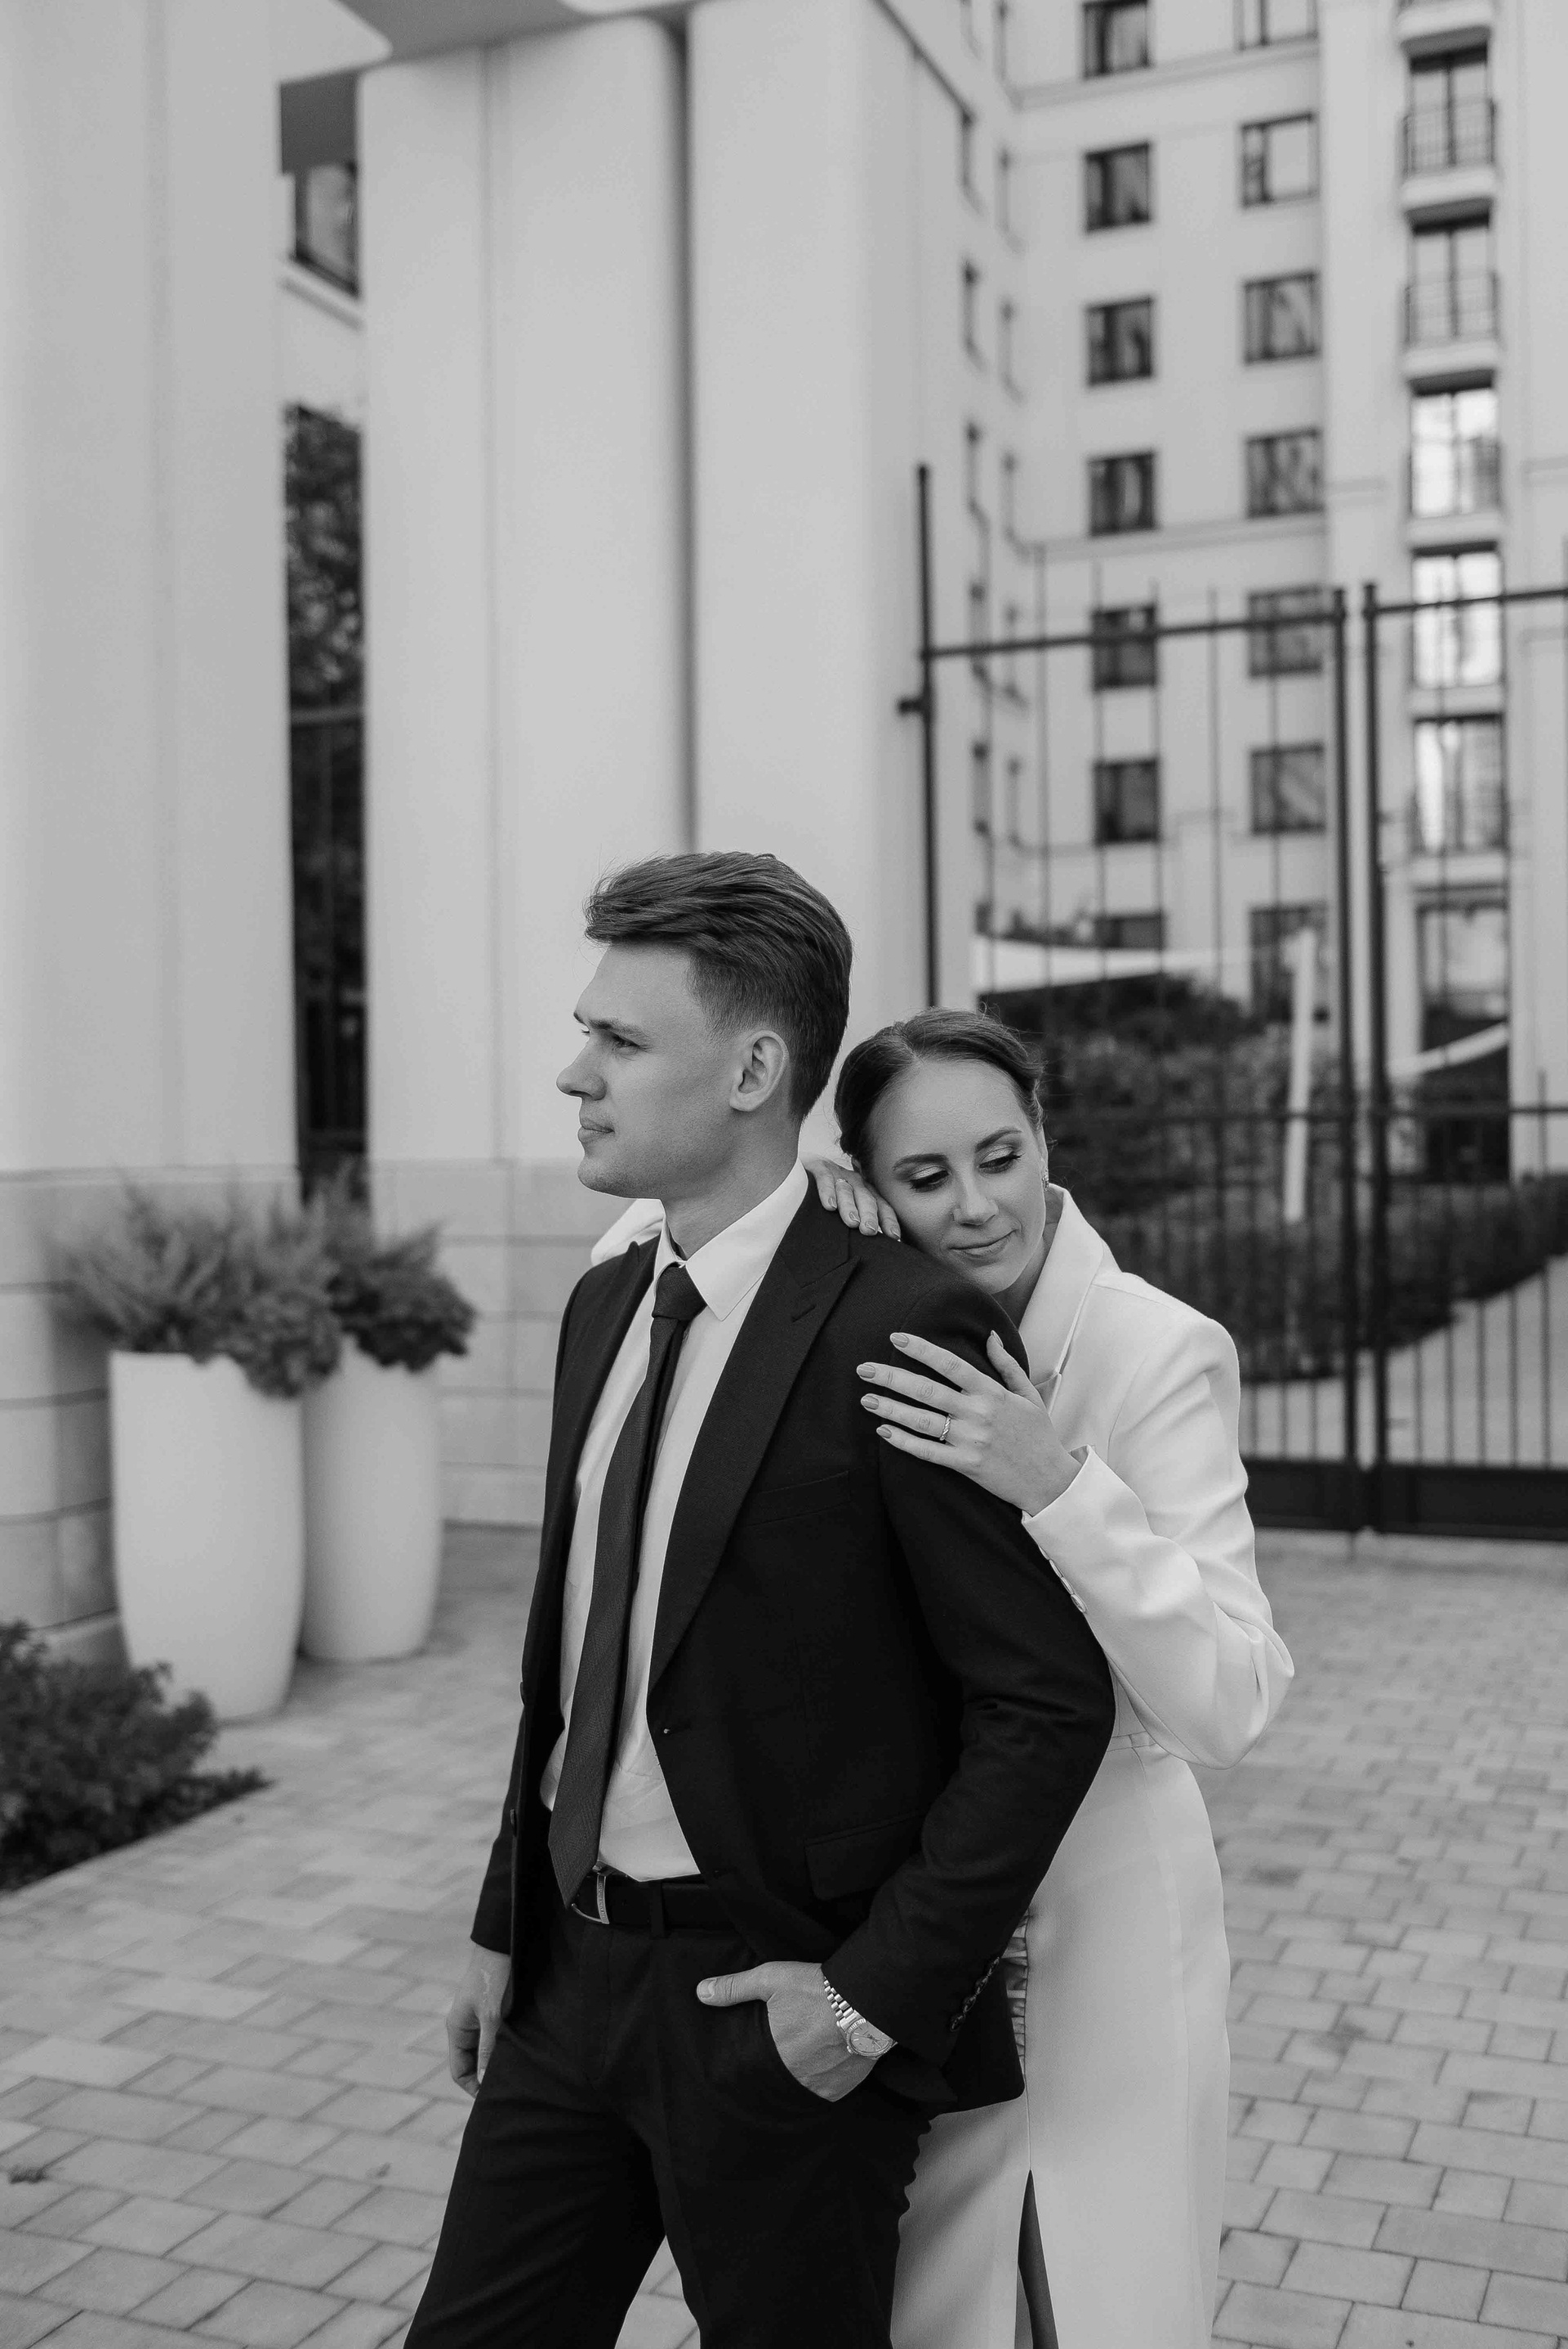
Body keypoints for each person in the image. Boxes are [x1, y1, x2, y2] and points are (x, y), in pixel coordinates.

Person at [405, 857, 1116, 2349]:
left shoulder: (902, 1322)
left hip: (775, 2017)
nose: (575, 1074)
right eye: (587, 1034)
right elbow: (574, 1663)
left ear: (752, 1071)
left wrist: (866, 2003)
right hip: (564, 1985)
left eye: (620, 1041)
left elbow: (1043, 1702)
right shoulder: (606, 1300)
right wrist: (501, 1923)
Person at [819, 1008, 1295, 2349]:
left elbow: (1234, 1697)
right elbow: (642, 1235)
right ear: (870, 1184)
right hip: (917, 1908)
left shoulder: (1156, 1349)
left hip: (1104, 1910)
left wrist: (1060, 1485)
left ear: (1044, 1141)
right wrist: (796, 1201)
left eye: (1000, 1156)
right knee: (933, 2299)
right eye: (924, 1177)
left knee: (1086, 2294)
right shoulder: (869, 1321)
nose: (976, 1207)